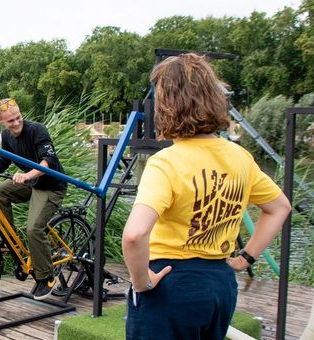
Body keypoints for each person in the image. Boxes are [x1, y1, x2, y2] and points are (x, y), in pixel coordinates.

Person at [121, 53, 291, 339]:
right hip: (220, 283)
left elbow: (135, 235)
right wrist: (245, 258)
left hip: (171, 281)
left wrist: (141, 282)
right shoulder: (240, 157)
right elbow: (279, 207)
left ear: (165, 105)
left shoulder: (167, 162)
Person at [0, 98, 67, 300]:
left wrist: (27, 176)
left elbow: (48, 160)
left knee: (33, 229)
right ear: (1, 121)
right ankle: (10, 239)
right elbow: (3, 161)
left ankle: (46, 276)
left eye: (18, 118)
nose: (16, 123)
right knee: (0, 192)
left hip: (50, 186)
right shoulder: (6, 136)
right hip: (31, 184)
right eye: (10, 121)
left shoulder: (37, 130)